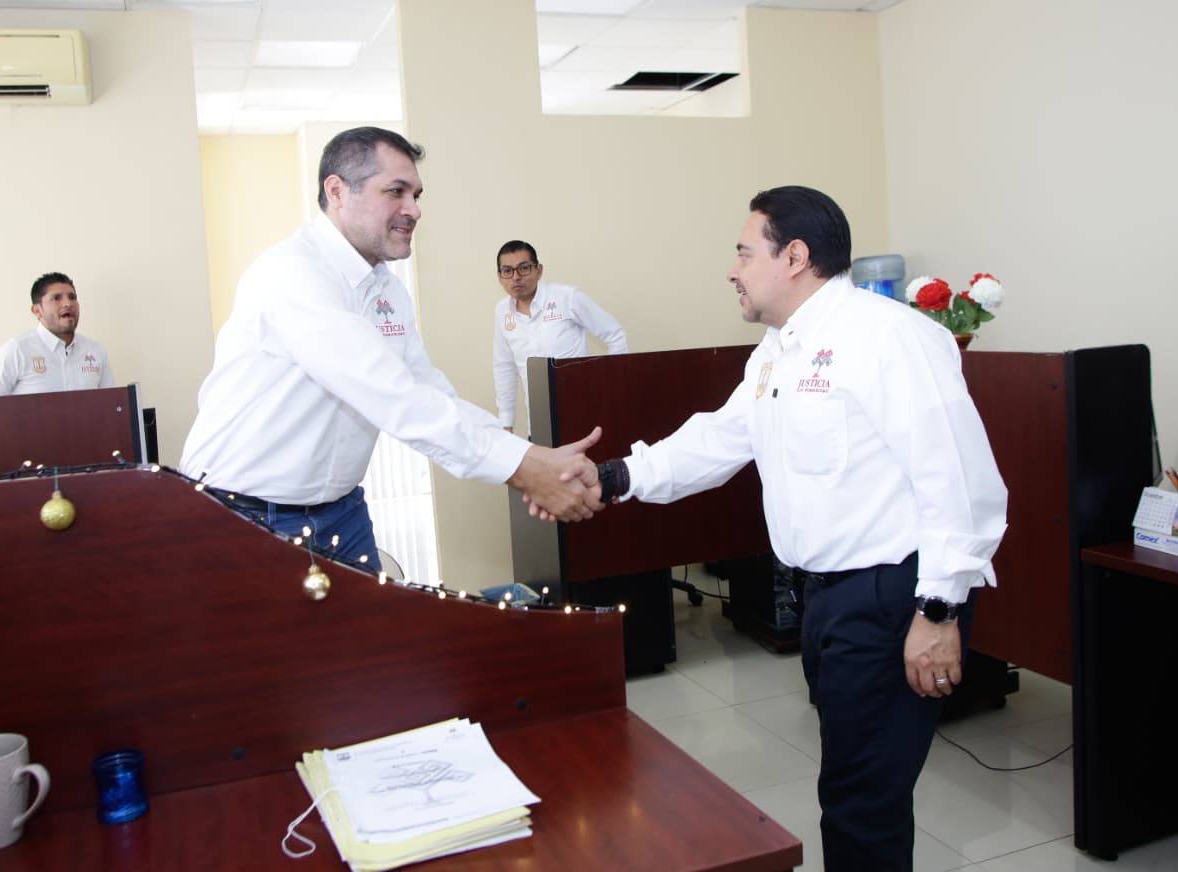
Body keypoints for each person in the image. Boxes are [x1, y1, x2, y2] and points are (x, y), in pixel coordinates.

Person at [586, 186, 1007, 871]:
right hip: (824, 596)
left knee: (861, 799)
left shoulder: (890, 337)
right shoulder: (778, 350)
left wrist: (939, 612)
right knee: (850, 779)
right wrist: (610, 478)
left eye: (744, 253)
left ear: (795, 257)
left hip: (892, 597)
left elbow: (958, 481)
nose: (732, 270)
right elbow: (720, 439)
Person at [180, 127, 601, 571]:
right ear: (337, 191)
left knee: (377, 621)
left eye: (416, 195)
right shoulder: (292, 273)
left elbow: (428, 392)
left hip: (341, 512)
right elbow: (392, 395)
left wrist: (530, 455)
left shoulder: (388, 291)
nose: (414, 209)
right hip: (242, 512)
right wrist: (524, 470)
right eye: (395, 191)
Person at [492, 240, 628, 431]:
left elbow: (615, 335)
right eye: (507, 270)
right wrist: (506, 421)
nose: (516, 277)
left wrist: (608, 388)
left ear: (538, 270)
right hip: (539, 422)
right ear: (500, 276)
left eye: (523, 268)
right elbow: (504, 367)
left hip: (584, 413)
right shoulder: (502, 311)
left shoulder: (567, 297)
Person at [0, 272, 114, 396]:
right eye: (56, 298)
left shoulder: (96, 351)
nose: (68, 304)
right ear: (37, 311)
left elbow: (110, 405)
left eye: (72, 297)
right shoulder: (17, 350)